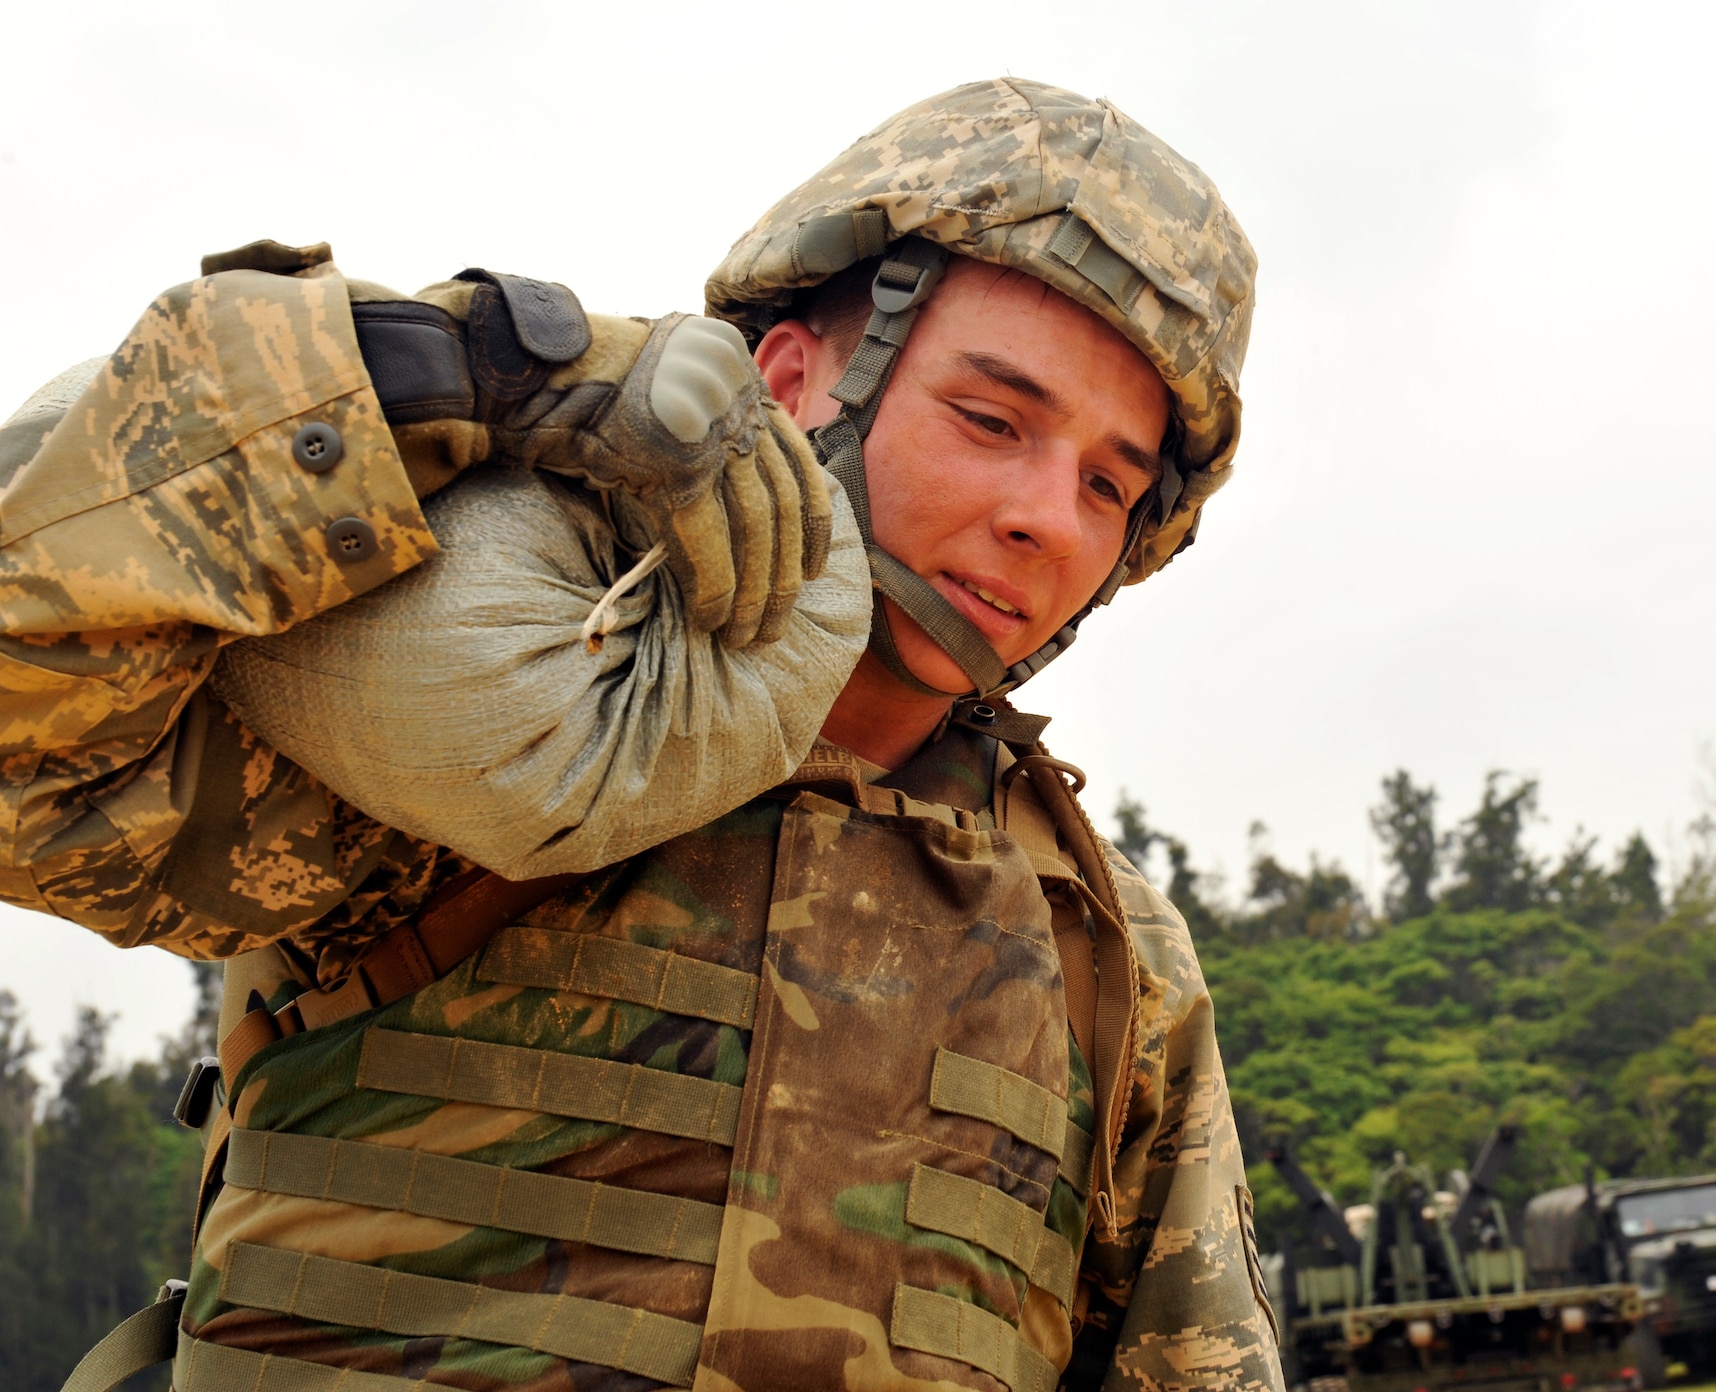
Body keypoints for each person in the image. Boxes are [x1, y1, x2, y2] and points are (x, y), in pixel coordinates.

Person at [1, 78, 1271, 1391]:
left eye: (1107, 483)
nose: (1046, 518)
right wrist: (455, 376)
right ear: (790, 380)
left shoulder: (1108, 955)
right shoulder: (477, 729)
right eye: (991, 420)